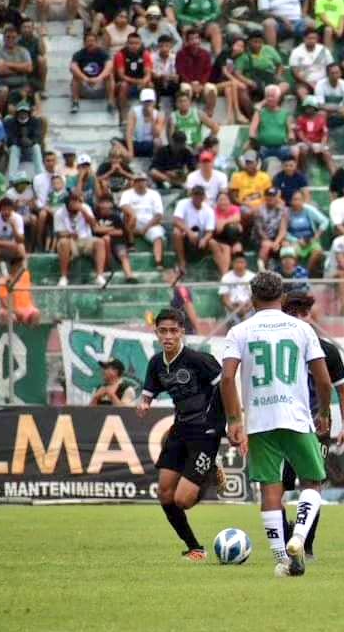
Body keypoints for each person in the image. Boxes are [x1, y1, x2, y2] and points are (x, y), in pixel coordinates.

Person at [220, 271, 333, 577]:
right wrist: (324, 412)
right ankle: (298, 538)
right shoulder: (302, 329)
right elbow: (323, 380)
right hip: (296, 417)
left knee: (271, 489)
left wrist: (234, 420)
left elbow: (227, 378)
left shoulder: (239, 331)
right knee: (312, 482)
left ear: (252, 298)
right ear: (282, 298)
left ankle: (283, 558)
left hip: (259, 421)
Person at [138, 308, 226, 561]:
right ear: (156, 333)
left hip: (205, 431)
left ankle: (210, 472)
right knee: (165, 494)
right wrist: (144, 403)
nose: (168, 336)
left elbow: (226, 386)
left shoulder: (199, 360)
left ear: (182, 332)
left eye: (173, 331)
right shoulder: (156, 363)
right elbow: (149, 390)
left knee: (183, 500)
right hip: (179, 429)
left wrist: (231, 420)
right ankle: (195, 548)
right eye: (163, 331)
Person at [277, 291, 344, 559]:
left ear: (310, 315)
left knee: (312, 482)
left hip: (317, 423)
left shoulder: (327, 350)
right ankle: (286, 537)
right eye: (293, 313)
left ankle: (306, 544)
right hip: (282, 423)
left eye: (304, 313)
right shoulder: (278, 349)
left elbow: (343, 391)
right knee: (278, 486)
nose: (299, 318)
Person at [120, 173, 165, 268]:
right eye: (137, 181)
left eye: (142, 180)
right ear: (133, 183)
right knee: (130, 217)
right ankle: (131, 244)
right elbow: (123, 206)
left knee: (158, 236)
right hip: (133, 223)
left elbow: (159, 215)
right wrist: (133, 214)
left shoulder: (154, 194)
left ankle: (158, 261)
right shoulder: (127, 193)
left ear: (146, 182)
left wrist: (145, 228)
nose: (140, 183)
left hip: (150, 224)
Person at [70, 31, 114, 114]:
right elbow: (73, 67)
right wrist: (85, 78)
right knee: (75, 76)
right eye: (88, 41)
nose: (90, 43)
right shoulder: (78, 54)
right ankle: (75, 103)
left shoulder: (103, 53)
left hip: (100, 84)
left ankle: (110, 103)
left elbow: (109, 66)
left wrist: (99, 78)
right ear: (84, 43)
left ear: (97, 42)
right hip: (85, 85)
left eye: (93, 41)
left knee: (110, 75)